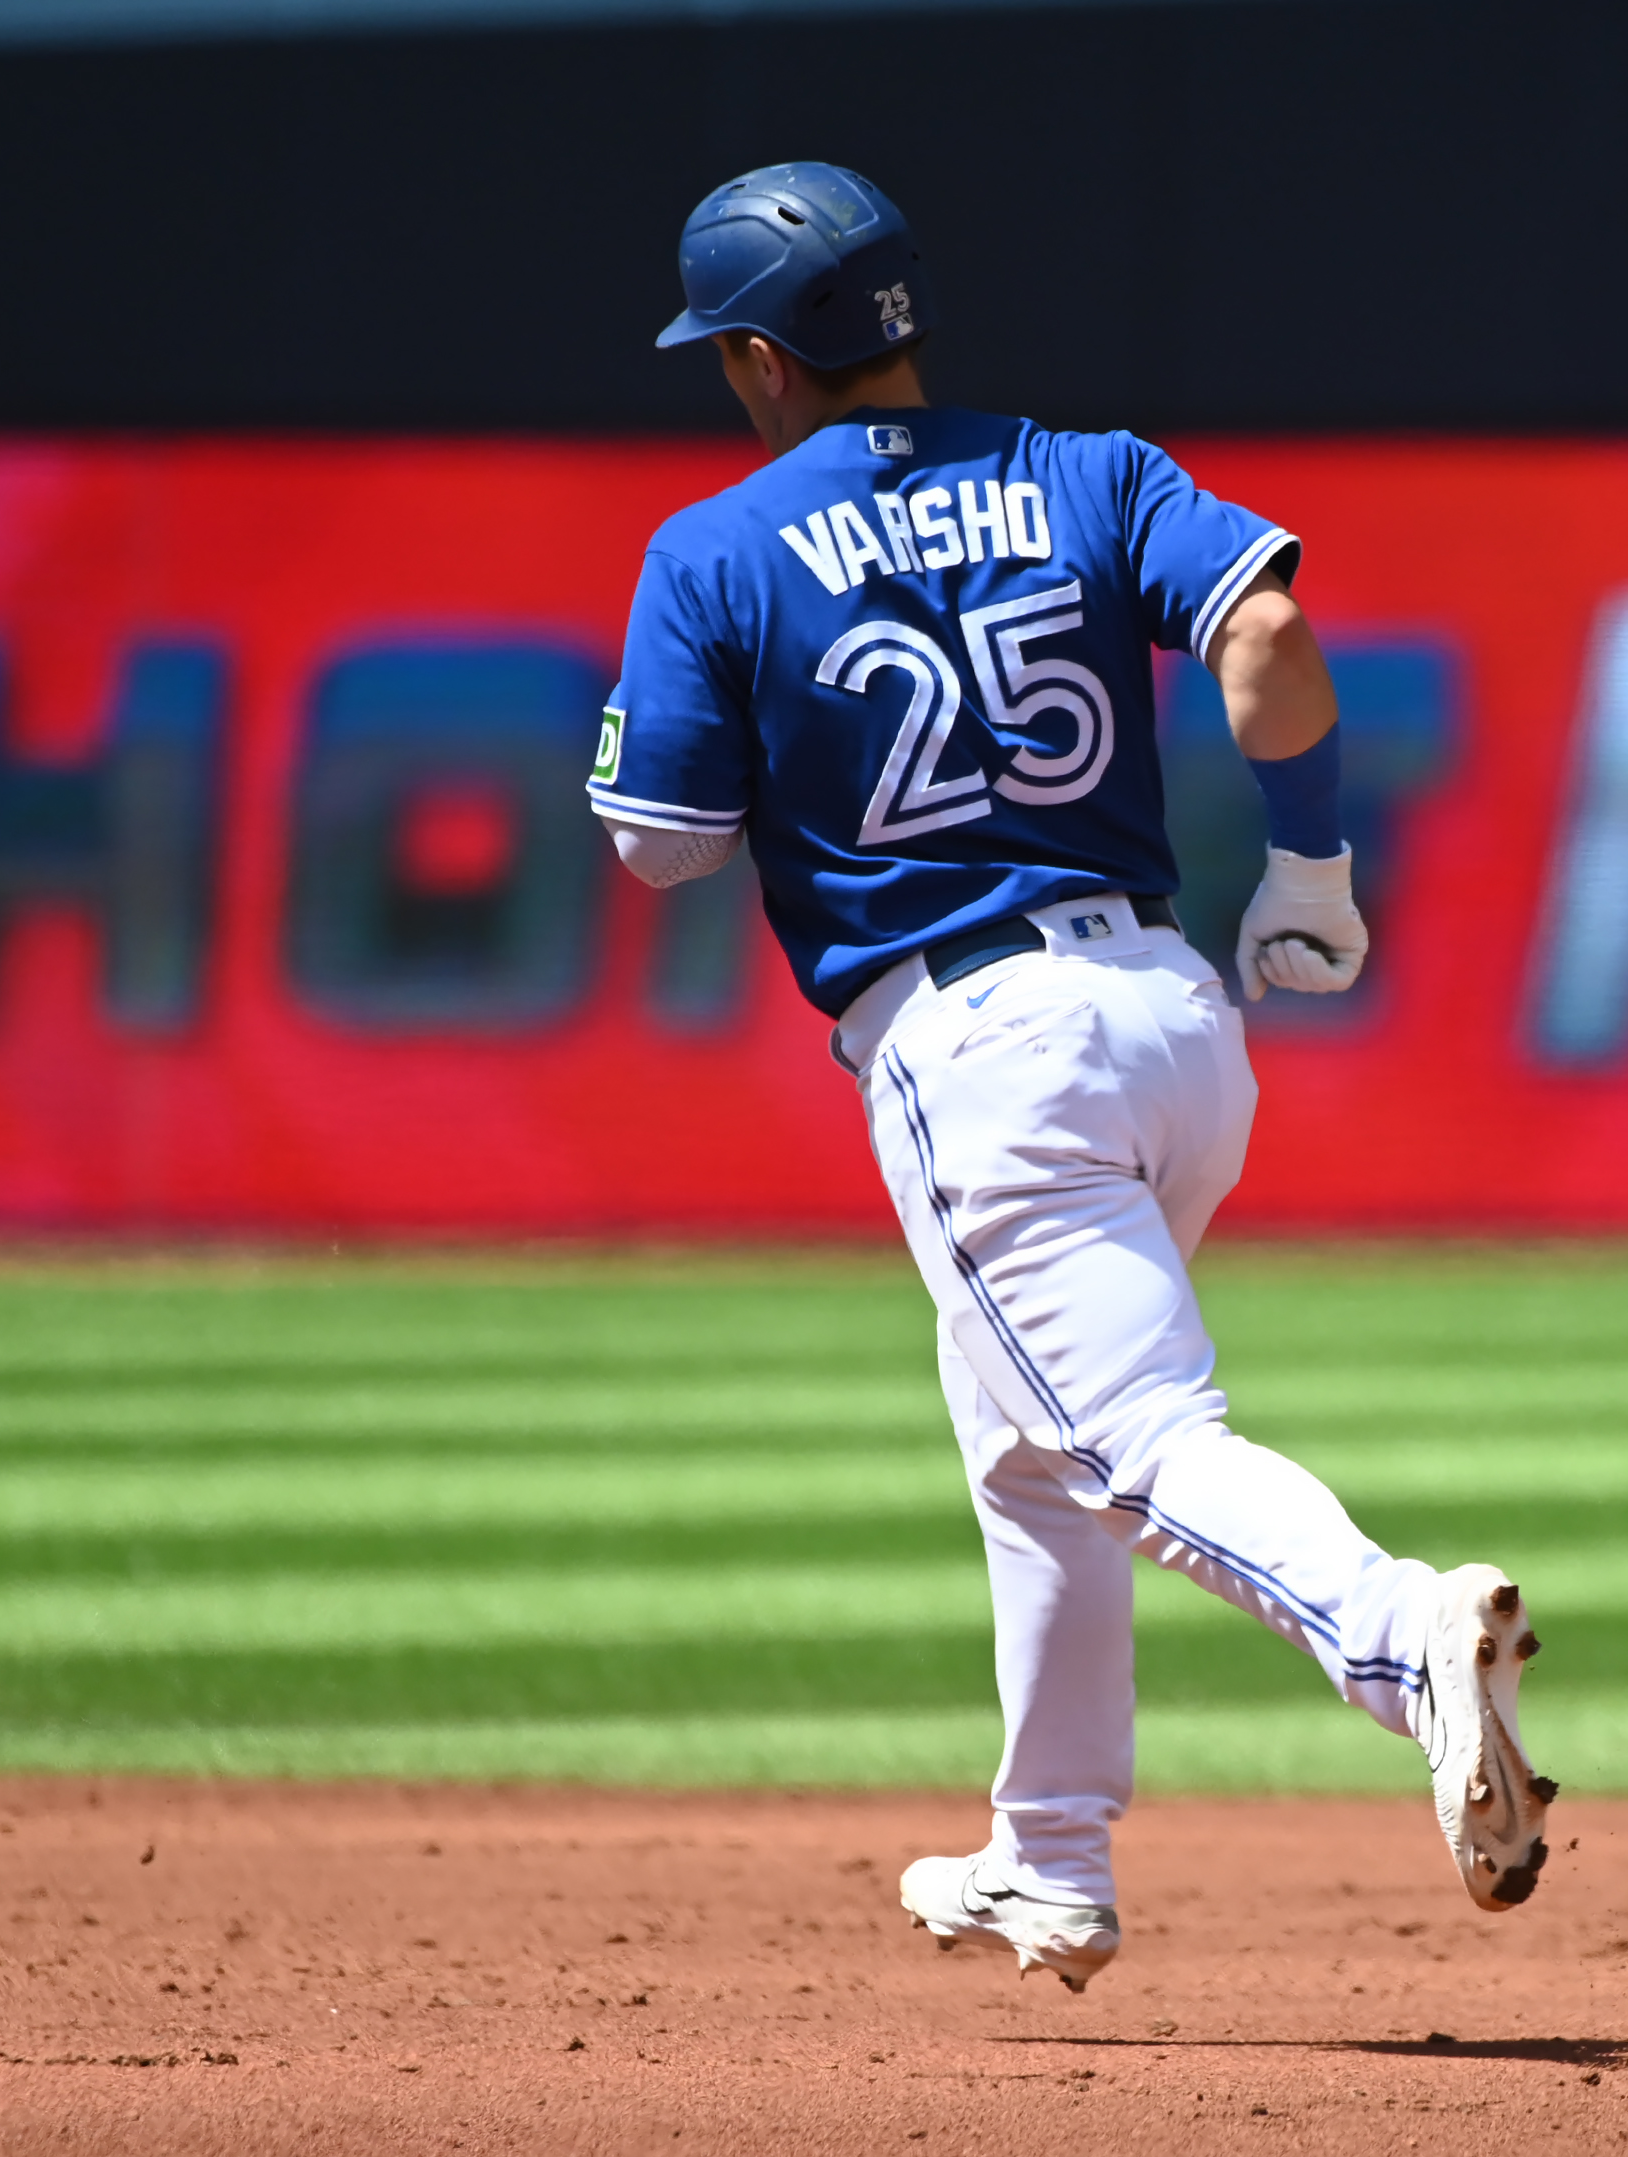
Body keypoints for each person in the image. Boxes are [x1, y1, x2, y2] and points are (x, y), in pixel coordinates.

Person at [587, 161, 1550, 1991]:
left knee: (1128, 1442)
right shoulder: (1089, 465)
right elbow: (1261, 632)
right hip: (1173, 1019)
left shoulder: (715, 547)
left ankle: (1400, 1627)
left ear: (759, 363)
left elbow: (663, 843)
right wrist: (1319, 868)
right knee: (1029, 1449)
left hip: (978, 1051)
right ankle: (1051, 1858)